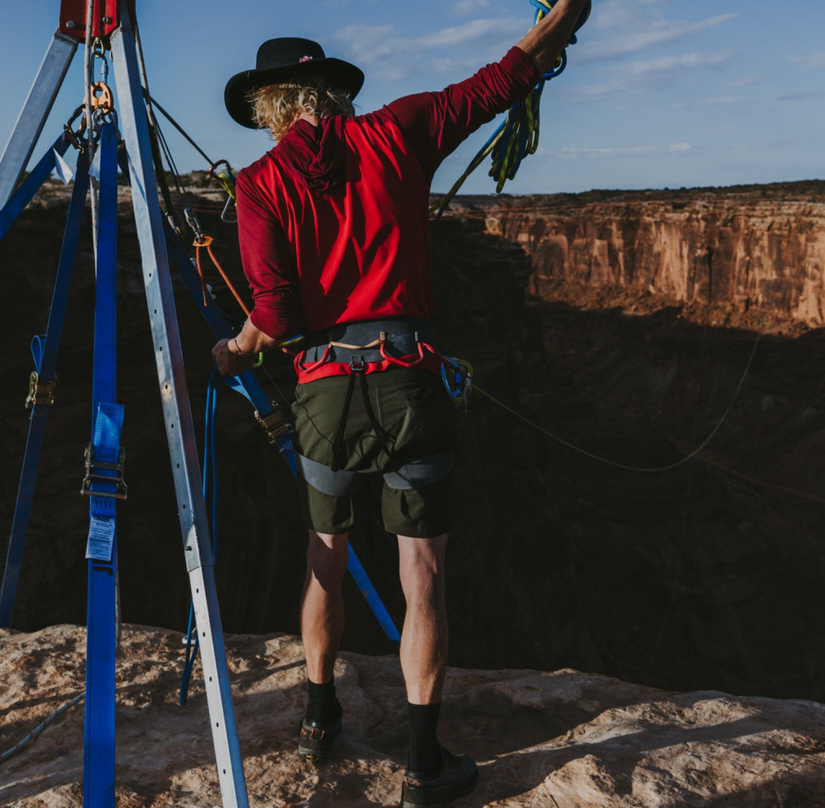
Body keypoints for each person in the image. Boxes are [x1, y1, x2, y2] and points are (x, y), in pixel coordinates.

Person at [213, 3, 590, 804]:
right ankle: (424, 763)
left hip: (323, 395)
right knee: (423, 578)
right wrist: (566, 12)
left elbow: (277, 314)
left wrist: (240, 346)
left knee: (326, 557)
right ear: (329, 93)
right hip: (410, 383)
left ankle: (319, 716)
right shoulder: (400, 130)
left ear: (272, 104)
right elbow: (504, 79)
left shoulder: (257, 185)